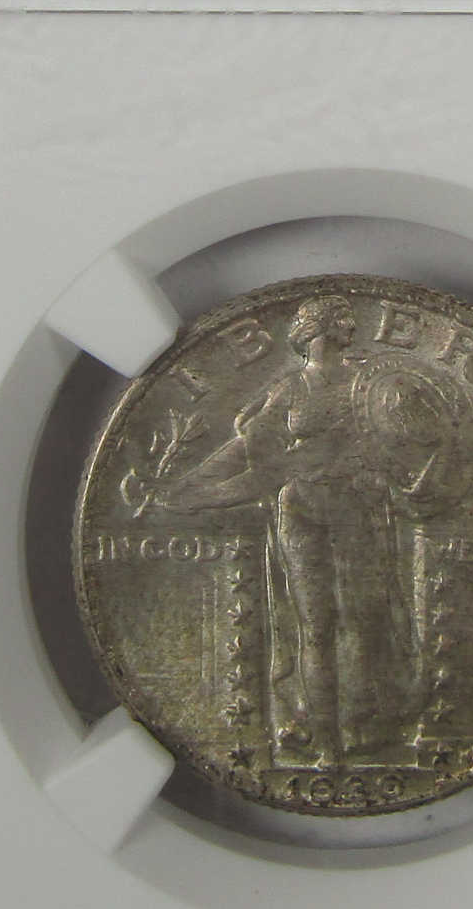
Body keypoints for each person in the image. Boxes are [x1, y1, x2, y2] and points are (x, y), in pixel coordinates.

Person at [158, 294, 423, 765]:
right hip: (301, 512)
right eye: (341, 319)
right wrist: (190, 487)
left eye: (348, 319)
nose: (350, 326)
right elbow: (248, 453)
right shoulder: (290, 388)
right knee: (315, 626)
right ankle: (326, 743)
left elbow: (406, 442)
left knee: (361, 620)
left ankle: (361, 726)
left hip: (356, 511)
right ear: (319, 329)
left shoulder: (369, 383)